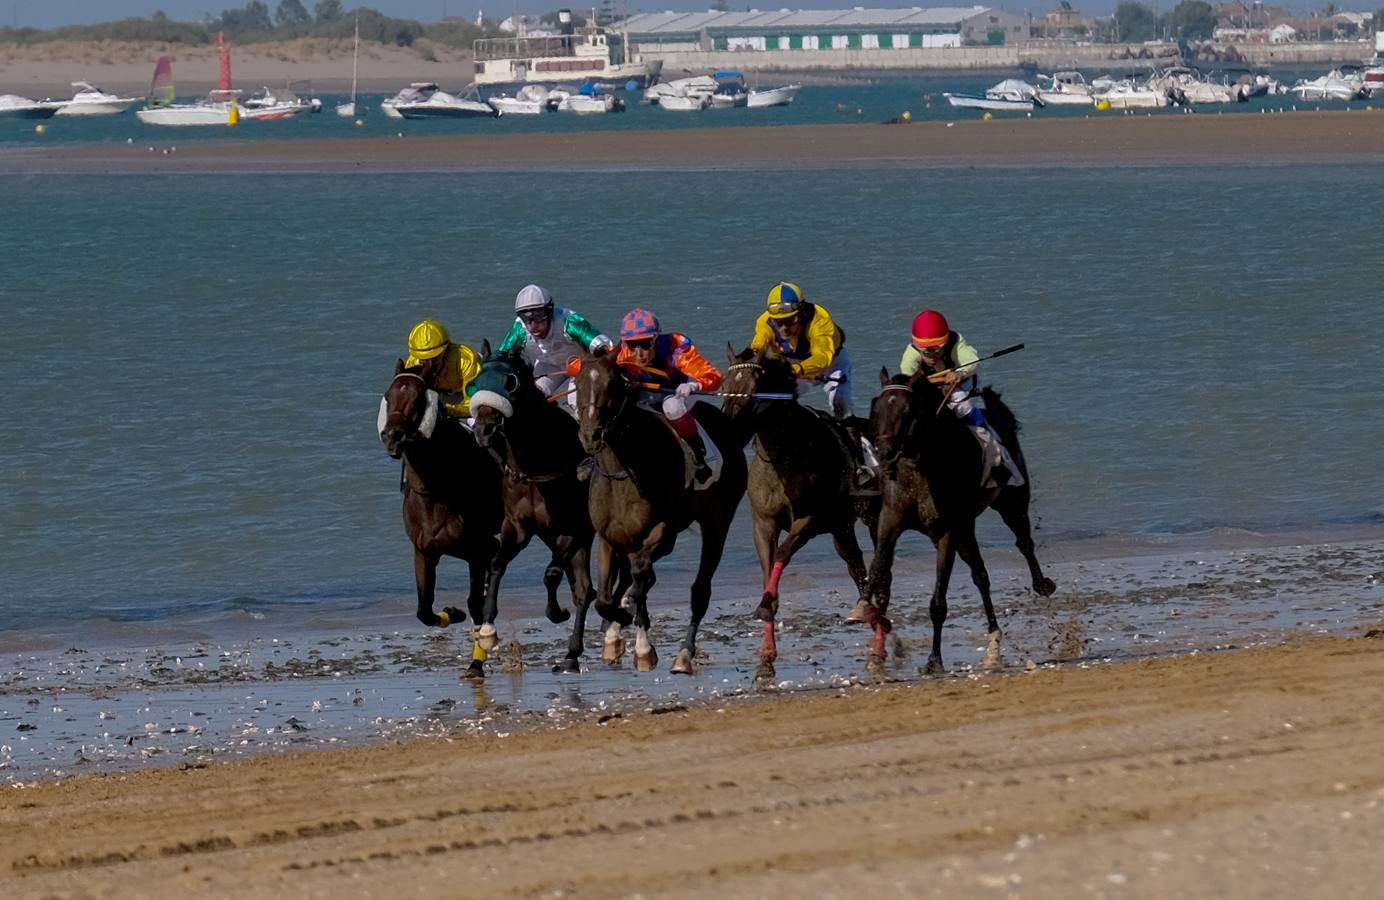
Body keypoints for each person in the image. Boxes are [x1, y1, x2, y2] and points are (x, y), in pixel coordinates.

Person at [901, 309, 1023, 488]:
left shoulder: (956, 341)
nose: (931, 355)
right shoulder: (910, 355)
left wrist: (958, 373)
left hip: (962, 385)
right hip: (930, 389)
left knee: (962, 408)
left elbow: (972, 361)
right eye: (926, 352)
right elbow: (908, 380)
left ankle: (999, 457)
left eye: (936, 349)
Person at [615, 307, 722, 483]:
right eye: (633, 345)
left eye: (645, 343)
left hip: (678, 390)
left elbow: (714, 376)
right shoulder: (622, 353)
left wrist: (695, 385)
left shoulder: (676, 347)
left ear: (656, 339)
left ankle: (698, 455)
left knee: (672, 407)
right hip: (646, 394)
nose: (639, 353)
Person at [497, 284, 615, 410]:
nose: (533, 325)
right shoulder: (520, 329)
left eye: (539, 317)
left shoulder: (568, 322)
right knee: (534, 395)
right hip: (548, 364)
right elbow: (500, 357)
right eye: (526, 319)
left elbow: (603, 344)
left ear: (549, 312)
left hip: (581, 364)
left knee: (575, 401)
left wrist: (596, 360)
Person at [749, 281, 853, 419]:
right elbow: (757, 348)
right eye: (778, 322)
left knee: (840, 402)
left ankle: (850, 426)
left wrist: (795, 370)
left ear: (802, 313)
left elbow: (823, 358)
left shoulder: (820, 319)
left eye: (789, 321)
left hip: (833, 363)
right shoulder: (764, 322)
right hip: (792, 364)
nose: (784, 328)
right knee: (773, 401)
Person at [405, 319, 482, 418]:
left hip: (461, 397)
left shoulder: (466, 360)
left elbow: (473, 403)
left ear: (445, 351)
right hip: (434, 399)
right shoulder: (412, 363)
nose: (429, 364)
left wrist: (445, 410)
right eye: (423, 359)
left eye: (434, 358)